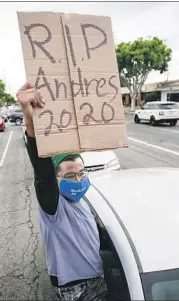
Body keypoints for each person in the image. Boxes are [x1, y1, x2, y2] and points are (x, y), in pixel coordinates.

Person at [17, 82, 108, 301]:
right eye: (69, 176)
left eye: (81, 173)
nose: (77, 180)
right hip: (77, 287)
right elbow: (43, 173)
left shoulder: (82, 202)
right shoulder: (55, 207)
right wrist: (30, 123)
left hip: (97, 277)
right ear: (56, 179)